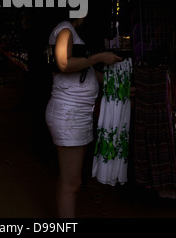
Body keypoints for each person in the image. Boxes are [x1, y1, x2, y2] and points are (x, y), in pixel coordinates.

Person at [45, 16, 122, 218]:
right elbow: (63, 63)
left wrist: (118, 87)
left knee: (68, 178)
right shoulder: (65, 29)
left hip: (75, 113)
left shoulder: (70, 31)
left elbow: (86, 71)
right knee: (72, 182)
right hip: (69, 114)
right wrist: (99, 57)